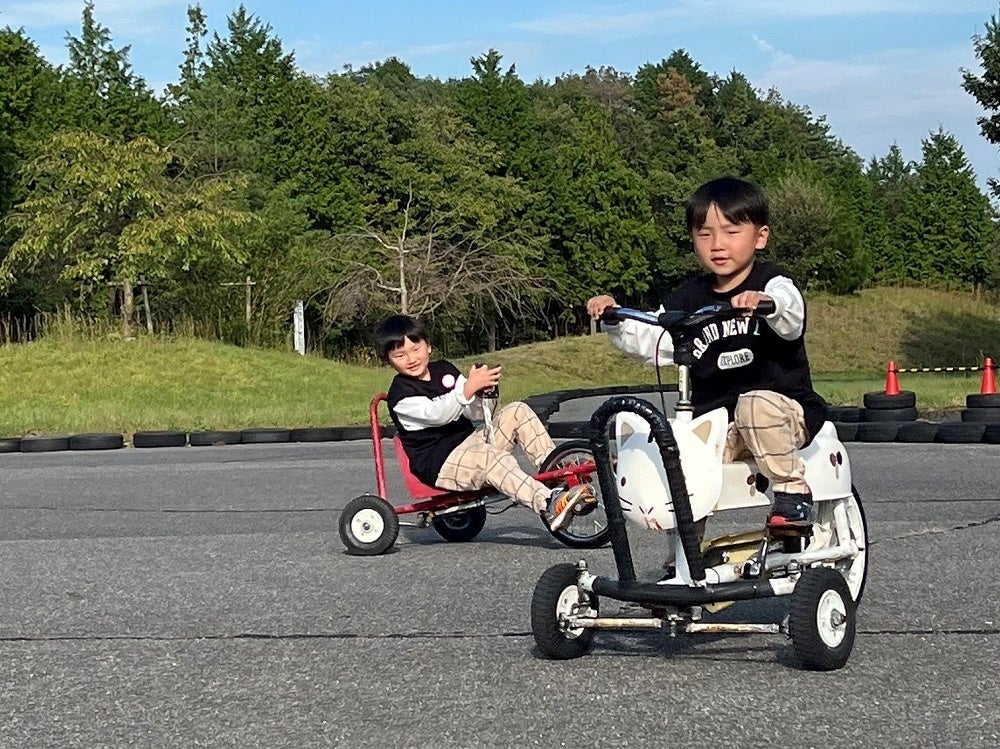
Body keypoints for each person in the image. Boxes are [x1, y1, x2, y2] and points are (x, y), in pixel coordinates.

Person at [586, 176, 827, 531]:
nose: (717, 244)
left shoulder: (772, 281)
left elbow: (791, 315)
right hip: (718, 428)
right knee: (674, 456)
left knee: (754, 405)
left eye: (731, 232)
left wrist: (766, 304)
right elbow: (654, 339)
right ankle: (686, 558)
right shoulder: (688, 298)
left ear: (760, 237)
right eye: (705, 234)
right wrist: (615, 316)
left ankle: (793, 493)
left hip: (784, 415)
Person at [375, 314, 596, 532]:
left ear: (429, 347)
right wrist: (467, 390)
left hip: (470, 443)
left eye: (416, 349)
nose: (412, 359)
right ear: (388, 360)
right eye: (400, 355)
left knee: (517, 410)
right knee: (492, 459)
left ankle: (557, 474)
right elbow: (438, 414)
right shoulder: (401, 396)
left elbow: (477, 414)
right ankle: (550, 502)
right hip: (442, 464)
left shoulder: (444, 369)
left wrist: (484, 394)